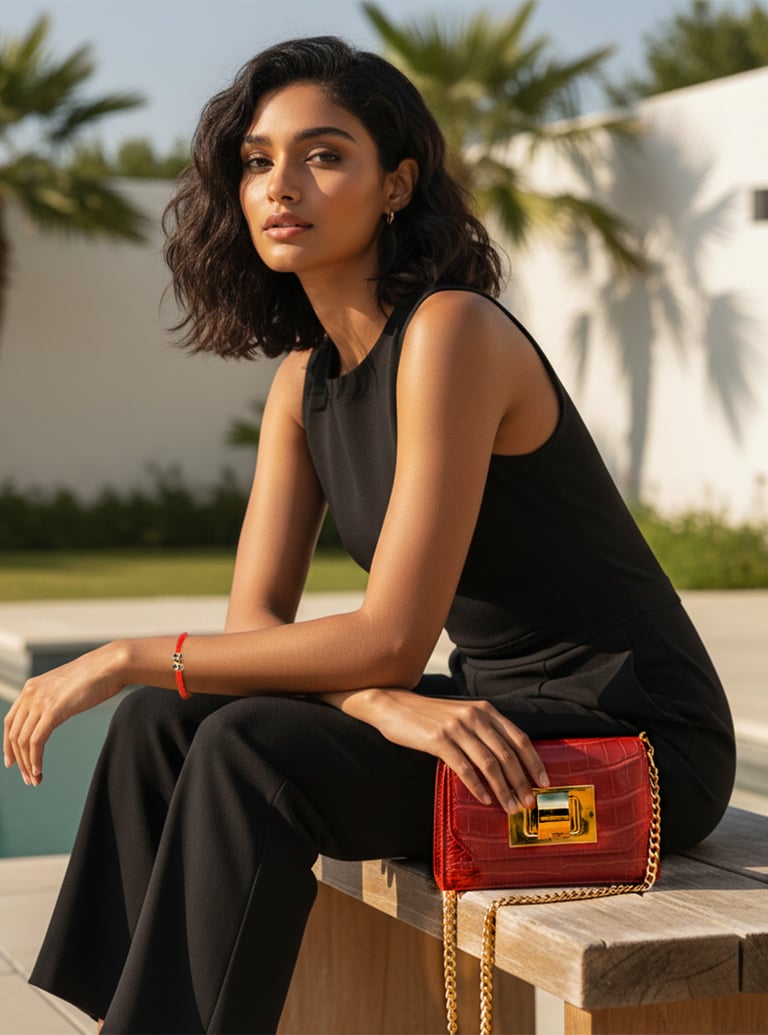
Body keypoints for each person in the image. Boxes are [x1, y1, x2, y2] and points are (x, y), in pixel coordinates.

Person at [4, 35, 735, 1035]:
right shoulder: (304, 384)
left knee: (246, 750)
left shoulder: (453, 332)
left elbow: (392, 633)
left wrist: (132, 654)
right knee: (159, 727)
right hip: (501, 725)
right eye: (258, 160)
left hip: (636, 745)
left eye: (324, 154)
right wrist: (381, 705)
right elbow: (256, 626)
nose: (280, 185)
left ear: (396, 185)